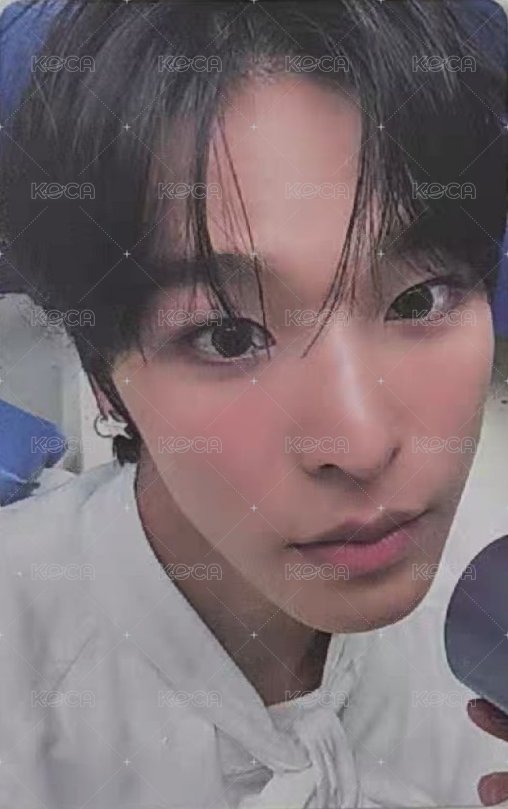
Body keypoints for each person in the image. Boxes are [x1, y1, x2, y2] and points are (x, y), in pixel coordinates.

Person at [0, 0, 507, 806]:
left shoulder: (483, 612)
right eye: (229, 336)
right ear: (104, 375)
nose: (361, 442)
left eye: (419, 298)